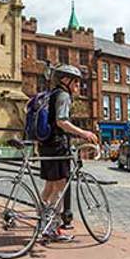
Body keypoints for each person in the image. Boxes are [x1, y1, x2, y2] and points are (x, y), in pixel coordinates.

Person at [39, 64, 98, 242]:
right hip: (57, 146)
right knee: (59, 187)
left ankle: (42, 220)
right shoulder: (63, 95)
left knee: (50, 186)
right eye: (76, 82)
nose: (78, 86)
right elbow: (62, 121)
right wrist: (84, 133)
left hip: (45, 144)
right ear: (66, 80)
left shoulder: (51, 94)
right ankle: (54, 228)